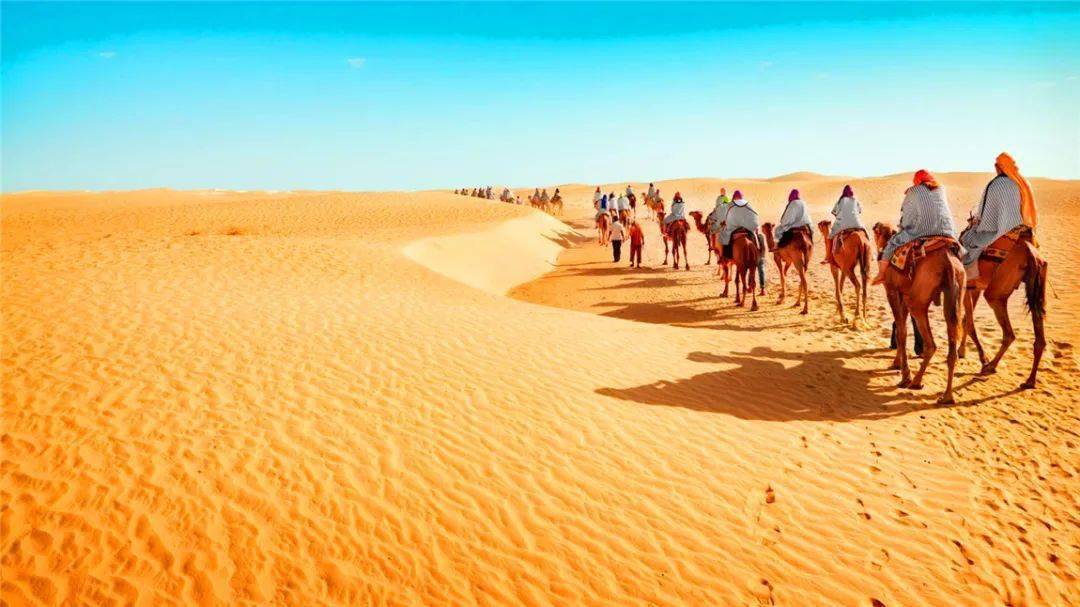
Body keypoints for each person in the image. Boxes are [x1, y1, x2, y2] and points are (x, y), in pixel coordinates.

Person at [959, 152, 1036, 280]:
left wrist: (978, 223)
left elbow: (987, 213)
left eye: (996, 165)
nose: (995, 168)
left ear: (1000, 167)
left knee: (967, 241)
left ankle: (968, 275)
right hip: (1024, 227)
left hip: (1000, 228)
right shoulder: (1022, 183)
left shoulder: (997, 183)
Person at [873, 169, 958, 284]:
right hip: (948, 231)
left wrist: (903, 227)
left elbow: (907, 214)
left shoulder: (913, 191)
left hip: (922, 231)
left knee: (892, 243)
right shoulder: (941, 189)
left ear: (917, 180)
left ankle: (881, 274)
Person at [825, 185, 866, 264]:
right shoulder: (855, 200)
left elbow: (834, 212)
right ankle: (872, 254)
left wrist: (840, 216)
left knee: (830, 237)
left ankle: (828, 256)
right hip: (857, 224)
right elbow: (859, 211)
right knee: (866, 234)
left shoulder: (840, 201)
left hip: (842, 224)